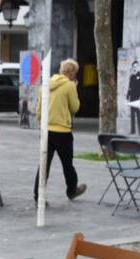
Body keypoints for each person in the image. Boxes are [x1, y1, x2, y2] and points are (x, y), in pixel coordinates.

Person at [33, 58, 87, 204]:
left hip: (46, 131)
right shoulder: (69, 85)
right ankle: (72, 190)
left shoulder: (45, 84)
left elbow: (38, 111)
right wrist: (74, 88)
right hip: (63, 132)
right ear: (71, 73)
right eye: (75, 73)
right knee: (67, 164)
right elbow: (75, 108)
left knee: (44, 164)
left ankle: (39, 196)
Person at [127, 60, 140, 136]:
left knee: (139, 115)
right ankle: (133, 130)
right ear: (132, 67)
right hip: (132, 98)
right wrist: (127, 96)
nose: (135, 68)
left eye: (136, 66)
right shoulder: (131, 76)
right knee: (132, 115)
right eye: (134, 66)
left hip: (138, 98)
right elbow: (130, 87)